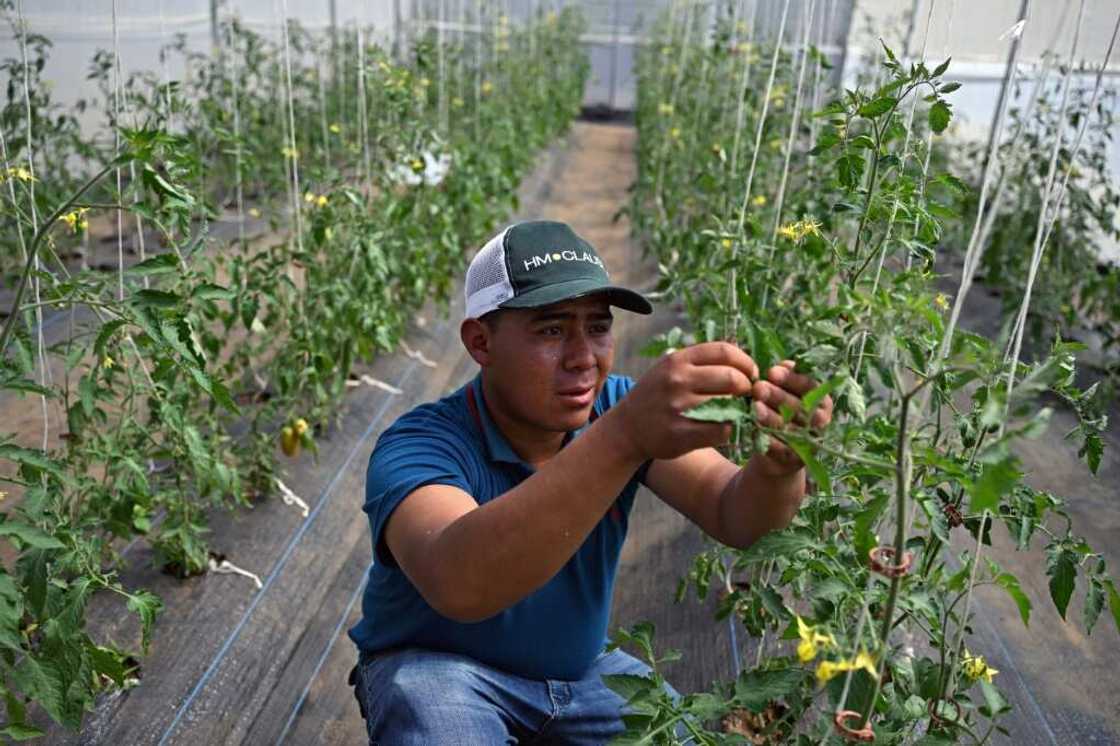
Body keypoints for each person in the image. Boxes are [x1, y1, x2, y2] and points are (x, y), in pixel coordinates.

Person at [347, 220, 833, 744]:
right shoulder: (422, 443)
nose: (583, 357)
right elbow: (459, 582)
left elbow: (737, 514)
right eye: (551, 330)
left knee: (680, 735)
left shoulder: (615, 408)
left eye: (598, 328)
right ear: (480, 341)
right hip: (443, 671)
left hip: (581, 675)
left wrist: (780, 465)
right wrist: (624, 436)